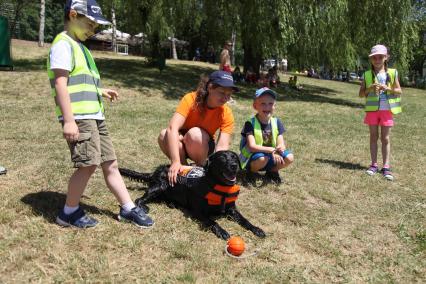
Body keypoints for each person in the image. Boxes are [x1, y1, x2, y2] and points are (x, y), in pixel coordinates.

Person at [47, 0, 154, 228]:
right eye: (90, 24)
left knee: (110, 162)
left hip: (95, 115)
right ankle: (68, 213)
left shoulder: (80, 47)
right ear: (73, 15)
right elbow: (60, 84)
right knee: (87, 164)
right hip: (79, 117)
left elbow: (80, 80)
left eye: (95, 27)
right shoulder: (63, 44)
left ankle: (127, 208)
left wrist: (100, 90)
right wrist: (68, 121)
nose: (92, 30)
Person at [158, 71, 238, 186]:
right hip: (182, 143)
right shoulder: (190, 99)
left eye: (229, 94)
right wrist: (175, 162)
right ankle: (183, 169)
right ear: (210, 88)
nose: (225, 97)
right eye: (221, 92)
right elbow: (172, 128)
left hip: (202, 146)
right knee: (163, 134)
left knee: (194, 134)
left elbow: (222, 148)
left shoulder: (226, 113)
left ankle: (202, 170)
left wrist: (221, 171)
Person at [358, 44, 402, 181]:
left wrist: (387, 88)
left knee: (385, 139)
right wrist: (369, 89)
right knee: (373, 137)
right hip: (372, 111)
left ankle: (386, 167)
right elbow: (361, 94)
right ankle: (373, 165)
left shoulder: (393, 73)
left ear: (386, 58)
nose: (377, 60)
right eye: (374, 57)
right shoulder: (366, 75)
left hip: (386, 111)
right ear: (371, 59)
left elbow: (399, 91)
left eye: (380, 57)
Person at [239, 87, 294, 184]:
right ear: (255, 106)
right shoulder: (250, 123)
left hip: (271, 156)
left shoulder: (277, 122)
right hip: (254, 157)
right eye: (263, 104)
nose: (267, 107)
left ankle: (272, 171)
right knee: (262, 158)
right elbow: (252, 147)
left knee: (289, 157)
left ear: (274, 105)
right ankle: (252, 172)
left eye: (270, 104)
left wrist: (280, 148)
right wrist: (272, 150)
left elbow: (281, 143)